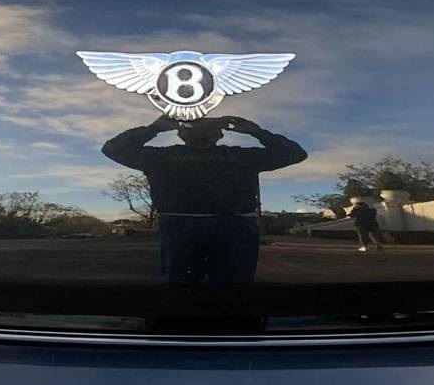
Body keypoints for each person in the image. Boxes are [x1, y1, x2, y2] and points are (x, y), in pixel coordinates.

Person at [102, 114, 306, 286]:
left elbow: (295, 154)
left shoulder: (239, 156)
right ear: (180, 133)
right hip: (196, 224)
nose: (202, 130)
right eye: (194, 126)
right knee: (186, 287)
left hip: (227, 224)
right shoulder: (163, 156)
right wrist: (153, 128)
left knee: (228, 288)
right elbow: (113, 149)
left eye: (209, 126)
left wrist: (257, 132)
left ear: (220, 133)